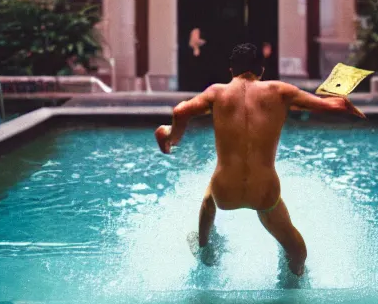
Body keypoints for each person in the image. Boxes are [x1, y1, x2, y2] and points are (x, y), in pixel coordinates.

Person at [155, 43, 365, 276]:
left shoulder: (216, 92)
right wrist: (345, 104)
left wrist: (170, 137)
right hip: (264, 193)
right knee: (298, 252)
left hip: (225, 192)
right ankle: (288, 282)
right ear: (262, 71)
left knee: (210, 197)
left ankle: (205, 246)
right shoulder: (280, 91)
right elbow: (333, 106)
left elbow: (179, 112)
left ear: (231, 71)